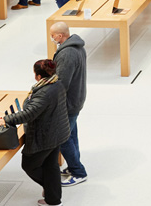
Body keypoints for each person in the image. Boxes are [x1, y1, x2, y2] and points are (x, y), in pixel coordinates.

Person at [0, 60, 70, 206]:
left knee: (30, 165)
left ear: (38, 76)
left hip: (45, 135)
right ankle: (53, 199)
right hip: (57, 131)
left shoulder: (44, 92)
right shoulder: (56, 83)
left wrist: (5, 120)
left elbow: (29, 114)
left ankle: (51, 190)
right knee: (50, 165)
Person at [50, 23, 88, 186]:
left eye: (53, 35)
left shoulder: (67, 54)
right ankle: (73, 166)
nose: (51, 38)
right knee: (72, 135)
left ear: (60, 35)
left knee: (62, 137)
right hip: (76, 98)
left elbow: (62, 83)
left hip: (67, 102)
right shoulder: (77, 46)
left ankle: (79, 172)